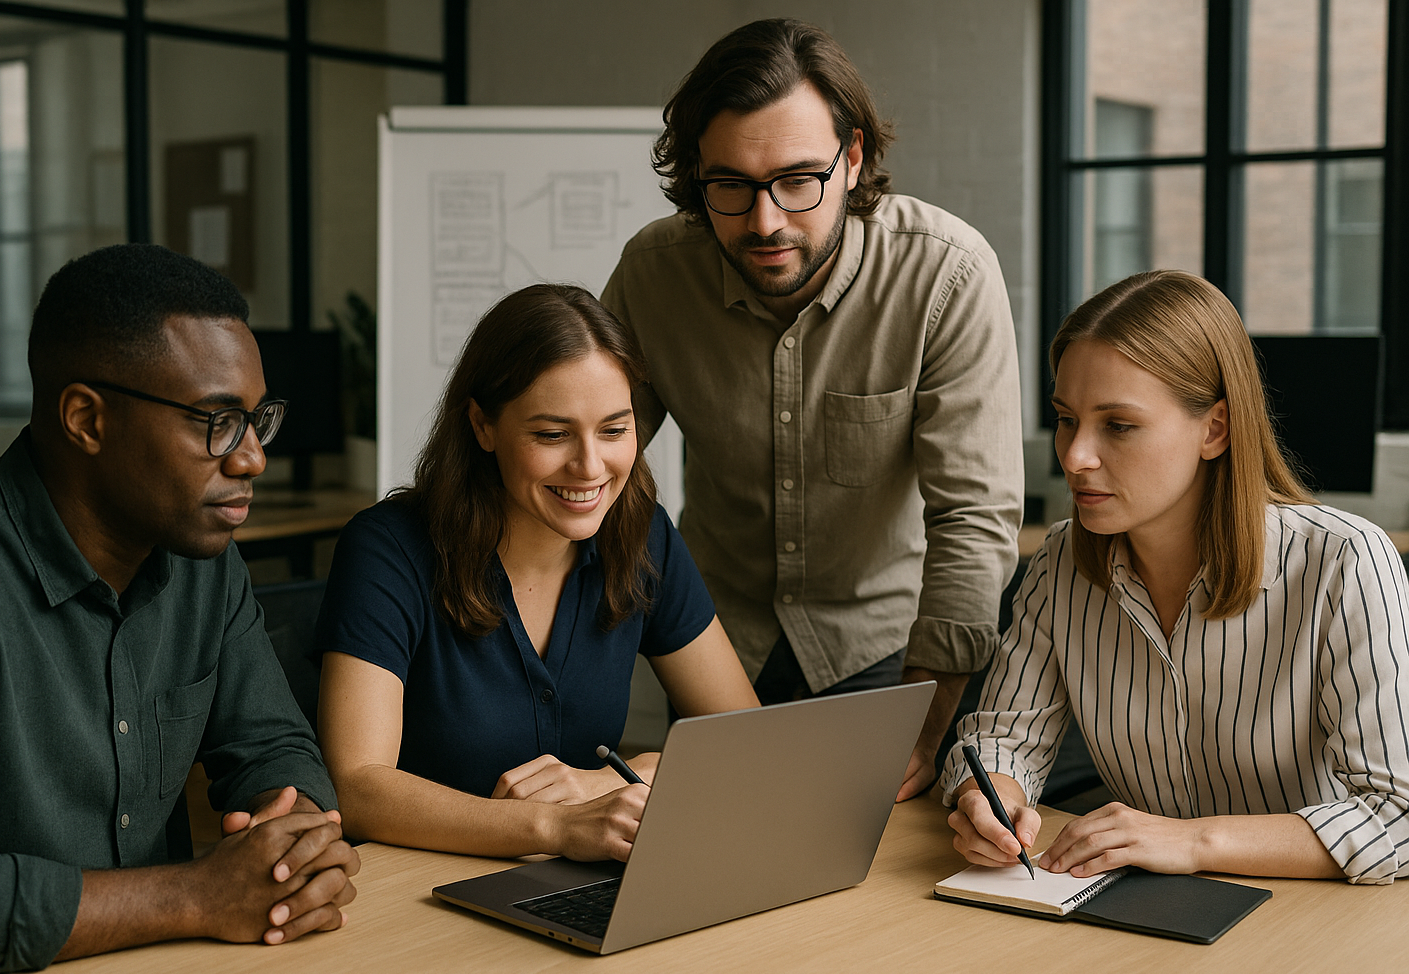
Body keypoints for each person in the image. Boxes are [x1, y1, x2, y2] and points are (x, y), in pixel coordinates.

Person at [0, 244, 360, 974]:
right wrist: (197, 896)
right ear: (85, 419)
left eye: (258, 419)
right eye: (218, 421)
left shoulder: (205, 562)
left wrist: (290, 837)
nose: (254, 457)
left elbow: (274, 751)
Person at [601, 19, 1023, 800]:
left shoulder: (946, 275)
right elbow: (596, 456)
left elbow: (973, 517)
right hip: (712, 643)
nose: (764, 222)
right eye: (729, 185)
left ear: (852, 156)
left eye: (798, 181)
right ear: (696, 174)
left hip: (887, 656)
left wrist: (925, 728)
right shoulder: (654, 273)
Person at [943, 269, 1409, 884]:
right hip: (1141, 905)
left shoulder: (1345, 562)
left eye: (1118, 425)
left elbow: (1395, 819)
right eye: (1065, 419)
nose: (1075, 457)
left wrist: (1189, 842)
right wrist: (989, 800)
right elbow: (1002, 741)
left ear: (1213, 429)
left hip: (1307, 918)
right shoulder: (1061, 562)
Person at [314, 284, 758, 862]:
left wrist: (617, 780)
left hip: (566, 885)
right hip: (412, 893)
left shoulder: (643, 533)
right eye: (552, 435)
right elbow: (358, 787)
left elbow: (746, 739)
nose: (590, 467)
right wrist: (555, 829)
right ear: (482, 426)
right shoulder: (388, 549)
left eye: (615, 429)